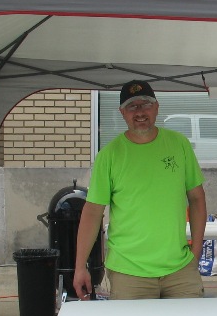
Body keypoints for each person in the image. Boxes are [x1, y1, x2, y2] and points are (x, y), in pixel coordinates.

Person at [72, 80, 207, 300]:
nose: (140, 112)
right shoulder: (109, 155)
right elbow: (93, 212)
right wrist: (80, 267)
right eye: (132, 106)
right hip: (128, 273)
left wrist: (197, 250)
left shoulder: (179, 144)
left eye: (146, 104)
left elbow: (197, 198)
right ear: (122, 112)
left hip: (180, 269)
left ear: (157, 107)